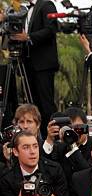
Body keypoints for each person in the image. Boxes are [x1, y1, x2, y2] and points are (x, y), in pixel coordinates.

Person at [10, 0, 59, 137]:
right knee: (34, 105)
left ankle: (53, 139)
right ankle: (38, 139)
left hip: (43, 64)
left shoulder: (46, 4)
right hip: (29, 65)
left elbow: (51, 29)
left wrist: (29, 37)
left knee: (46, 104)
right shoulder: (25, 10)